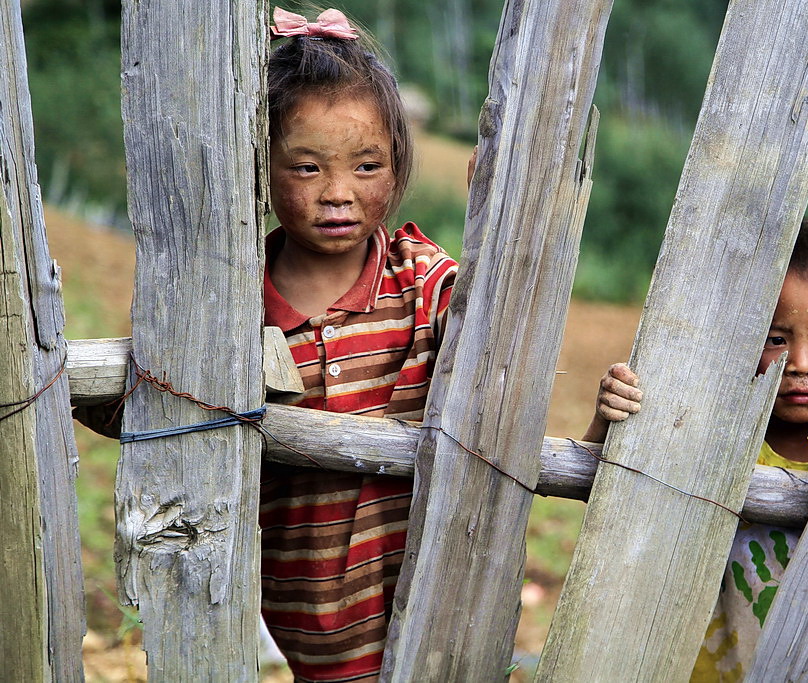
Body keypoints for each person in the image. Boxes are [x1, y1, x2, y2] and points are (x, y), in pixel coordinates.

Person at [585, 217, 808, 681]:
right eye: (775, 339)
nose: (801, 364)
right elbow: (604, 485)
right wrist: (609, 420)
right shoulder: (707, 433)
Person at [257, 8, 459, 681]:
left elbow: (502, 356)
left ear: (398, 161)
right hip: (302, 616)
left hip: (430, 612)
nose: (339, 194)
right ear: (263, 162)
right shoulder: (235, 302)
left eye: (367, 165)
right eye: (308, 167)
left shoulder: (421, 282)